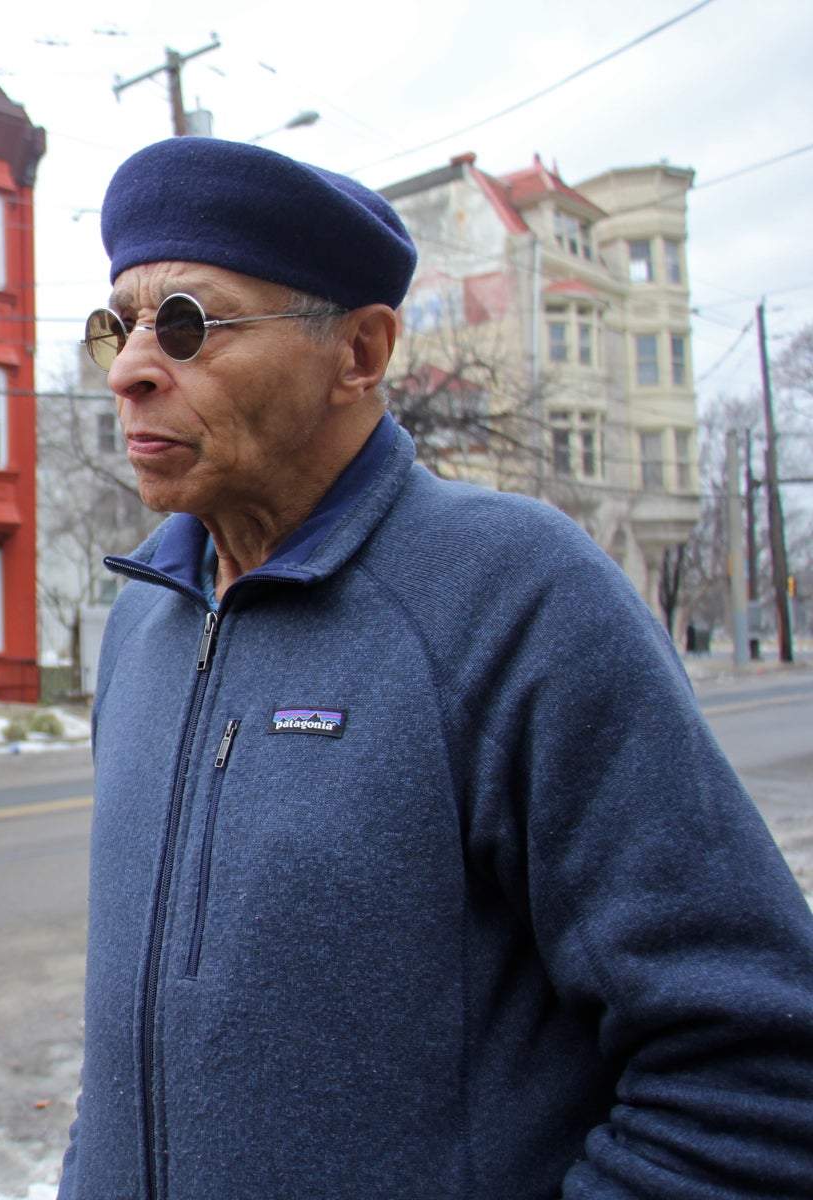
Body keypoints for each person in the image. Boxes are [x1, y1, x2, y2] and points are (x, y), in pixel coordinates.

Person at [57, 135, 813, 1200]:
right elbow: (127, 1048)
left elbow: (757, 1072)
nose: (132, 367)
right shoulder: (144, 622)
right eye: (118, 324)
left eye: (188, 323)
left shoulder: (518, 595)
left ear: (359, 354)